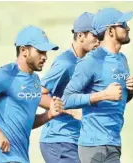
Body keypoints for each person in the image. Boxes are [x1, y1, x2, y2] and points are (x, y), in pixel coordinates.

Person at [0, 26, 63, 163]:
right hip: (1, 158)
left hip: (22, 158)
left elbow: (26, 122)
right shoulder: (5, 75)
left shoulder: (35, 80)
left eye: (46, 52)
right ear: (24, 50)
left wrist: (49, 115)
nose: (45, 57)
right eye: (40, 52)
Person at [62, 8, 133, 163]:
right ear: (110, 31)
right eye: (123, 24)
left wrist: (132, 92)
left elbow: (118, 99)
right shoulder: (91, 61)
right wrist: (103, 95)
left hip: (114, 143)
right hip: (92, 146)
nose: (128, 28)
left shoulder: (122, 60)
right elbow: (66, 100)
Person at [39, 12, 99, 163]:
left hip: (78, 140)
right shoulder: (66, 63)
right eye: (95, 36)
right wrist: (69, 110)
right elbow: (38, 94)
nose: (99, 41)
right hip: (59, 140)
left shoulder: (90, 63)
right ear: (80, 36)